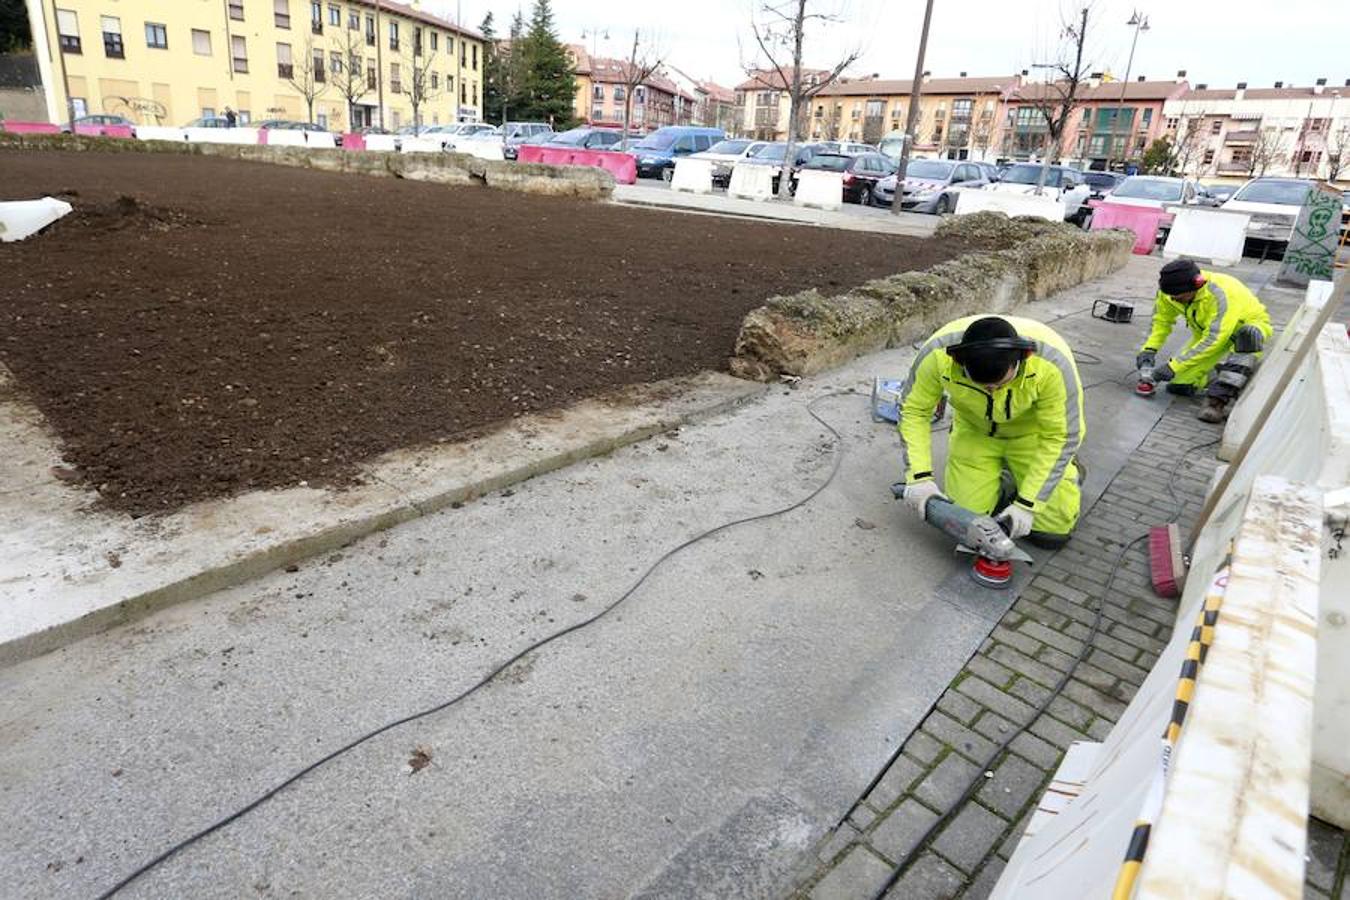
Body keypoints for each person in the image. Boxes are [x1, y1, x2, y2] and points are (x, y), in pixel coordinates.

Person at [898, 315, 1085, 549]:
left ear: (1021, 359)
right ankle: (1006, 481)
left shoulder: (1051, 363)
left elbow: (1061, 435)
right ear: (960, 362)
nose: (992, 391)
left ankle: (1065, 471)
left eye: (999, 385)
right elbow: (913, 412)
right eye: (984, 387)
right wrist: (919, 478)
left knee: (1051, 534)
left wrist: (1027, 505)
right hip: (975, 432)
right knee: (966, 527)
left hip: (1032, 436)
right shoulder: (937, 354)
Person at [1135, 259, 1272, 423]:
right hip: (1207, 335)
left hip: (1244, 329)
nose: (1174, 300)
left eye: (1179, 297)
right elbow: (1161, 322)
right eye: (1172, 297)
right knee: (1179, 387)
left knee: (1248, 335)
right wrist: (1149, 349)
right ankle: (1216, 373)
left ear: (1198, 285)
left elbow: (1215, 339)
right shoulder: (1169, 294)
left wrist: (1173, 366)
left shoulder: (1222, 293)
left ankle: (1217, 401)